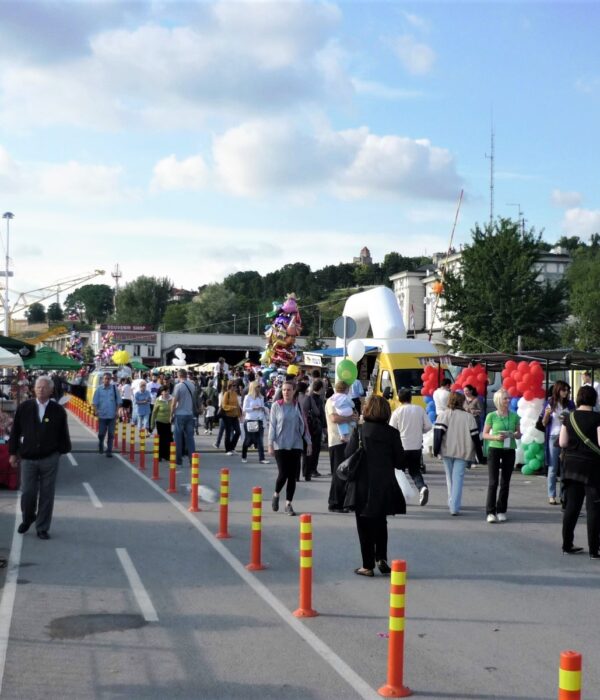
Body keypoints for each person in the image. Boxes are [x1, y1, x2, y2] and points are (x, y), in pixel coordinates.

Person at [345, 395, 406, 577]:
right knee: (381, 522)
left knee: (363, 524)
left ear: (367, 410)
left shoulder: (361, 430)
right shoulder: (392, 433)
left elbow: (349, 453)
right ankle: (381, 558)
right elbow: (400, 462)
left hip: (363, 483)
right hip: (385, 483)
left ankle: (367, 565)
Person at [9, 376, 72, 540]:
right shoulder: (25, 407)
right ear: (33, 389)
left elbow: (63, 433)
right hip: (28, 458)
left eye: (44, 387)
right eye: (38, 387)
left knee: (47, 494)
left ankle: (42, 527)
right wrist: (12, 453)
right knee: (28, 492)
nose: (41, 390)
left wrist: (62, 450)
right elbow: (15, 431)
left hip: (49, 458)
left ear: (51, 390)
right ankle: (28, 517)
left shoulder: (57, 410)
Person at [559, 385, 600, 557]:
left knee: (572, 507)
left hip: (572, 466)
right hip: (592, 468)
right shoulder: (598, 418)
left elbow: (562, 442)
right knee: (594, 509)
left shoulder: (569, 417)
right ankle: (594, 550)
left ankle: (567, 545)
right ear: (594, 399)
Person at [434, 392, 483, 516]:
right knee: (458, 479)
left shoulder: (443, 415)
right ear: (462, 402)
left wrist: (436, 450)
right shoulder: (469, 417)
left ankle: (452, 501)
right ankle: (454, 506)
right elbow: (475, 438)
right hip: (463, 452)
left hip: (446, 451)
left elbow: (438, 435)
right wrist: (480, 456)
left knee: (450, 478)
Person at [268, 380, 312, 516]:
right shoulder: (276, 406)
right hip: (280, 445)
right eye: (284, 390)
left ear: (294, 392)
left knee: (292, 476)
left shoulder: (297, 406)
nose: (286, 392)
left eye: (289, 390)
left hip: (296, 444)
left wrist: (308, 442)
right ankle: (276, 494)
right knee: (283, 474)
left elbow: (304, 425)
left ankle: (288, 503)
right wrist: (270, 444)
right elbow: (272, 426)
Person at [482, 389, 521, 523]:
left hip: (509, 448)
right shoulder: (491, 416)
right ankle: (490, 512)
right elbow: (484, 434)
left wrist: (515, 435)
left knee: (505, 482)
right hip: (495, 448)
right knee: (493, 482)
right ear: (499, 400)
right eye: (505, 399)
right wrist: (495, 437)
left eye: (509, 398)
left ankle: (501, 510)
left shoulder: (514, 416)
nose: (508, 401)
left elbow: (519, 433)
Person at [389, 388, 431, 506]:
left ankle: (401, 495)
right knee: (415, 470)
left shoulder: (397, 412)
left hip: (401, 446)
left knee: (399, 471)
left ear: (399, 398)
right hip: (416, 446)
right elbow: (428, 426)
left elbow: (392, 430)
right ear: (410, 398)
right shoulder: (419, 409)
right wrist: (419, 431)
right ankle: (422, 487)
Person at [539, 381, 575, 505]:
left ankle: (564, 496)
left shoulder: (570, 404)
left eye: (567, 390)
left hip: (566, 437)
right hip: (553, 436)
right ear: (558, 390)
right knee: (553, 467)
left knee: (565, 467)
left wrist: (567, 418)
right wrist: (547, 415)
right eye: (563, 390)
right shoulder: (549, 403)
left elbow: (574, 420)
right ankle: (551, 495)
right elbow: (543, 423)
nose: (566, 392)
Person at [326, 381, 359, 512]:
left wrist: (354, 418)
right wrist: (350, 418)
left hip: (348, 441)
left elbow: (355, 416)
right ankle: (334, 503)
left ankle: (346, 502)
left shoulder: (347, 400)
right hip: (336, 441)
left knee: (347, 472)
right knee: (338, 472)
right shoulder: (331, 401)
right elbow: (334, 418)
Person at [300, 378, 326, 479]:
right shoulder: (317, 399)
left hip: (307, 427)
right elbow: (319, 413)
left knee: (308, 449)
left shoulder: (308, 397)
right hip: (315, 427)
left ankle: (308, 470)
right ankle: (312, 469)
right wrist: (324, 427)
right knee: (315, 449)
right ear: (320, 388)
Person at [92, 371, 122, 458]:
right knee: (101, 433)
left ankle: (109, 450)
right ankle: (101, 442)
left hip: (112, 416)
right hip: (102, 416)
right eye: (105, 379)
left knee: (111, 434)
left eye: (108, 379)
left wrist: (117, 411)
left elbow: (119, 402)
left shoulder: (114, 389)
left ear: (110, 380)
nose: (107, 380)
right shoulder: (99, 389)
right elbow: (94, 402)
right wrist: (96, 410)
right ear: (103, 380)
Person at [171, 369, 196, 466]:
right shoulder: (192, 385)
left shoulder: (178, 386)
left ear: (179, 375)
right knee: (190, 438)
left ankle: (178, 460)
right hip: (189, 413)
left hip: (180, 414)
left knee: (178, 438)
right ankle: (192, 459)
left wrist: (171, 414)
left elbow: (174, 402)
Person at [241, 380, 269, 464]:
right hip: (250, 420)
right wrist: (254, 408)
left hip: (259, 420)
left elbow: (263, 406)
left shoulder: (261, 397)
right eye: (258, 387)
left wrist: (263, 408)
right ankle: (244, 456)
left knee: (260, 440)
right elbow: (244, 409)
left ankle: (262, 458)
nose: (259, 388)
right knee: (248, 440)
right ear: (253, 388)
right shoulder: (248, 397)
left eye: (260, 387)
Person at [150, 385, 173, 461]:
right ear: (161, 392)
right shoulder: (158, 400)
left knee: (168, 439)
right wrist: (152, 424)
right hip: (160, 422)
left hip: (168, 422)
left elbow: (175, 409)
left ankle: (167, 455)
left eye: (168, 391)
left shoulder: (171, 399)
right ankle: (159, 455)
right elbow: (154, 412)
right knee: (161, 439)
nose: (166, 393)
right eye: (165, 391)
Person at [221, 380, 242, 455]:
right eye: (233, 385)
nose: (235, 387)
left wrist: (240, 415)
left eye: (235, 385)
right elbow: (224, 405)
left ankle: (232, 447)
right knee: (228, 433)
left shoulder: (235, 394)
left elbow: (238, 405)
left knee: (238, 432)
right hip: (227, 416)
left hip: (234, 416)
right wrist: (232, 407)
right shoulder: (227, 393)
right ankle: (228, 450)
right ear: (230, 386)